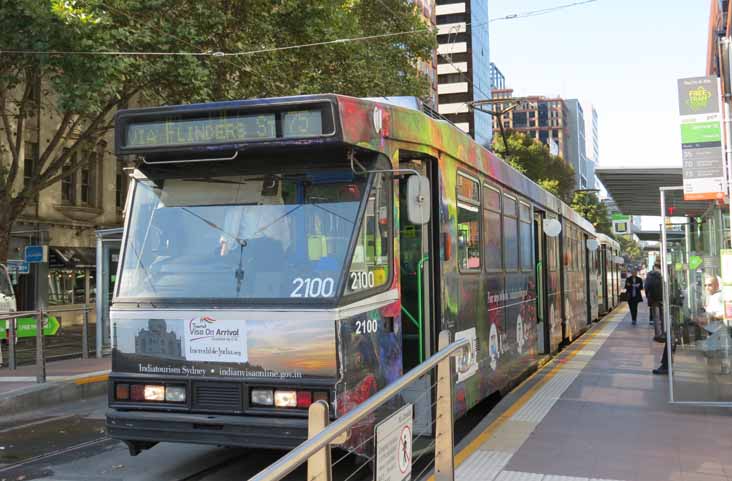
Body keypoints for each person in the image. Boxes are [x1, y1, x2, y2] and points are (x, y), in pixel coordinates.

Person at [654, 274, 723, 375]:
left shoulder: (721, 296)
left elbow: (724, 314)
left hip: (710, 329)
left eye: (710, 285)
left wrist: (709, 318)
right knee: (676, 330)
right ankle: (667, 337)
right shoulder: (711, 296)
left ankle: (666, 364)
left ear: (717, 285)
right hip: (703, 325)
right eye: (705, 285)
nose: (706, 288)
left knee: (672, 337)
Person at [645, 263, 664, 341]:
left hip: (653, 299)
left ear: (654, 268)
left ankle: (658, 335)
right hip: (663, 298)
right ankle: (664, 332)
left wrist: (648, 296)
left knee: (656, 317)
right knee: (663, 317)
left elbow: (646, 287)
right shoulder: (663, 275)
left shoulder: (650, 276)